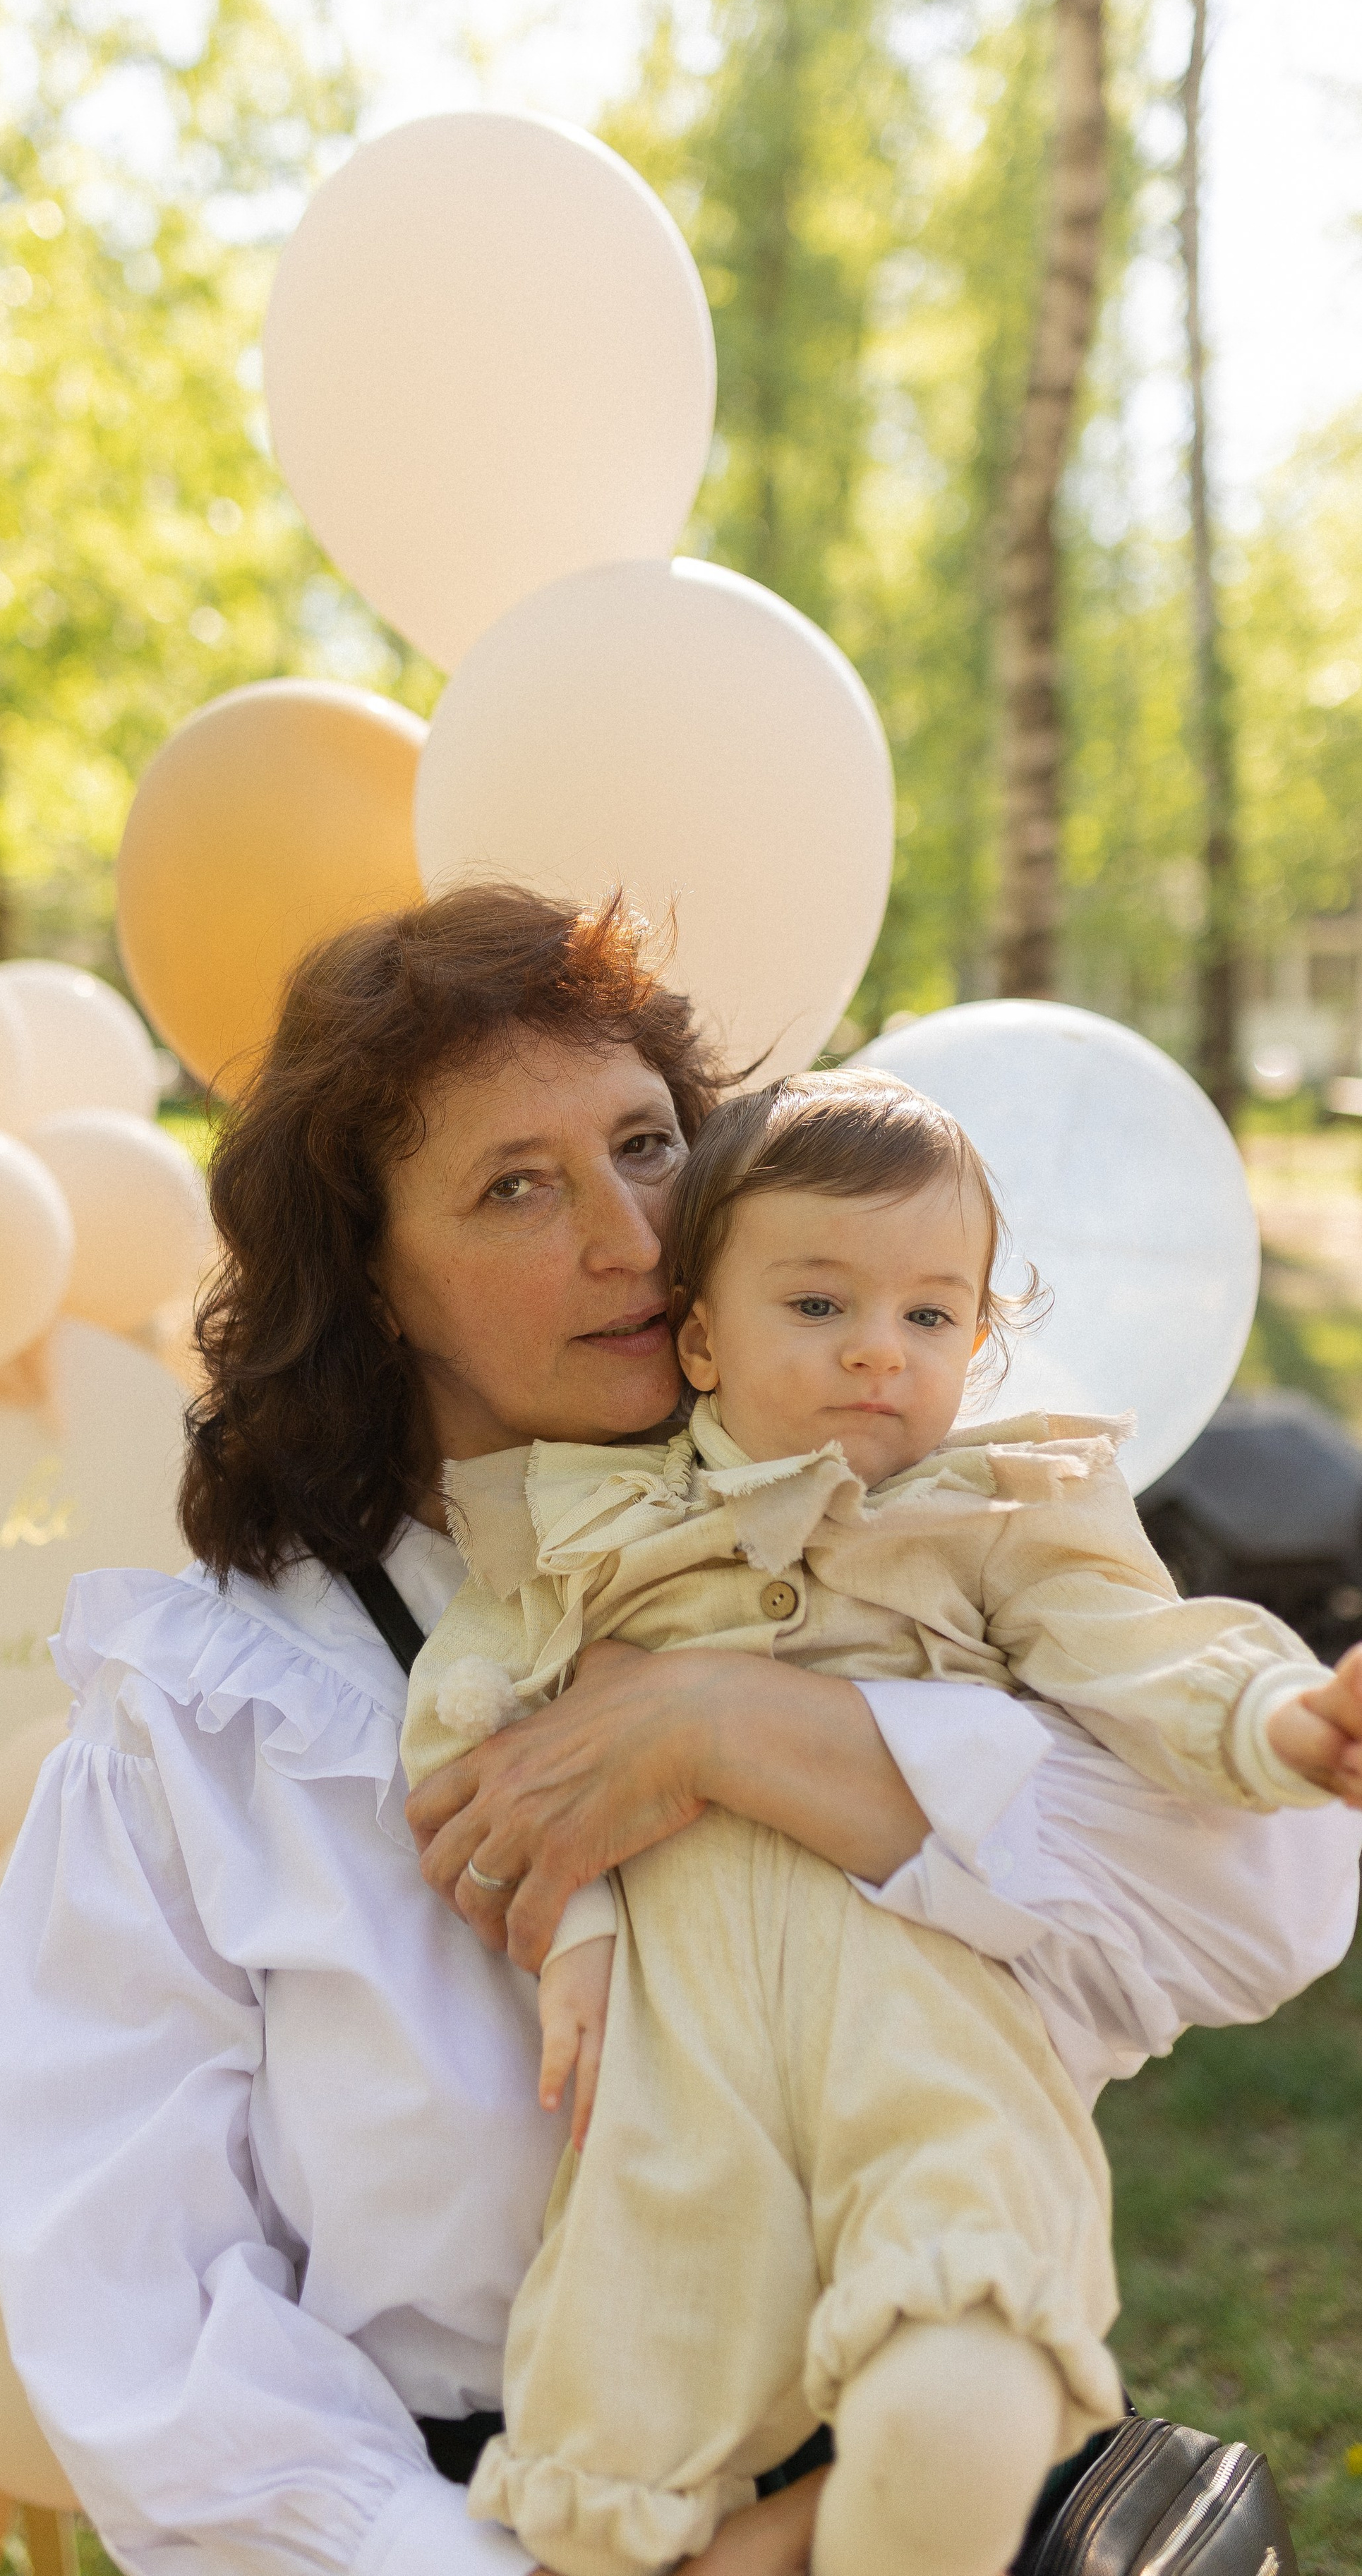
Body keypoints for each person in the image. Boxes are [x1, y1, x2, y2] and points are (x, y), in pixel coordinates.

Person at [0, 887, 1362, 2576]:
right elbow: (150, 2359)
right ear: (375, 1282)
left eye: (644, 1143)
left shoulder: (899, 1529)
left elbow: (1271, 1904)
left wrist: (740, 1723)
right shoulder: (200, 1729)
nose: (631, 1237)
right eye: (513, 1188)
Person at [400, 1070, 1359, 2576]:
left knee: (960, 2303)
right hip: (681, 2038)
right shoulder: (590, 1532)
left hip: (919, 1998)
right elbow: (474, 1734)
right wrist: (574, 1929)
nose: (873, 1354)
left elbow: (1129, 1644)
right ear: (701, 1334)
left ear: (976, 1338)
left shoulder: (989, 1510)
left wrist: (1272, 1722)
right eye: (817, 1307)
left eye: (927, 1317)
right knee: (643, 2361)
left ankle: (937, 2463)